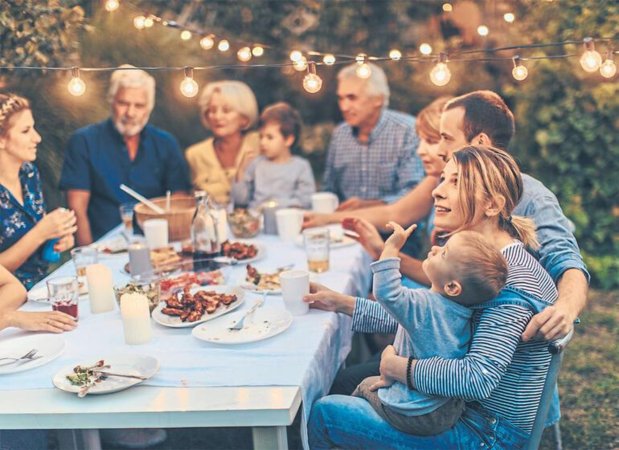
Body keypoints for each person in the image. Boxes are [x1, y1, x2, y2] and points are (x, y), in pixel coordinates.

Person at [307, 146, 559, 448]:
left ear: (492, 205)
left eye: (455, 182)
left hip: (483, 434)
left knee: (326, 414)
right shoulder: (477, 264)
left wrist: (397, 368)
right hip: (452, 409)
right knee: (347, 387)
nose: (437, 191)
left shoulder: (509, 282)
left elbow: (477, 378)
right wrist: (341, 303)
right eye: (443, 179)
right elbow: (425, 315)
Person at [319, 90, 588, 342]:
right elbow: (442, 298)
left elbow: (566, 261)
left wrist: (565, 308)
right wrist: (344, 300)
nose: (437, 150)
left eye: (445, 138)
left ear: (480, 143)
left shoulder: (531, 197)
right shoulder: (459, 196)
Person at [354, 225, 510, 436]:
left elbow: (386, 292)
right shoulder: (464, 312)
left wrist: (390, 249)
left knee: (364, 386)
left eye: (444, 253)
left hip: (413, 412)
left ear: (452, 287)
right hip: (445, 408)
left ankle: (350, 438)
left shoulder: (423, 305)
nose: (435, 248)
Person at [60, 65, 191, 245]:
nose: (130, 113)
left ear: (149, 108)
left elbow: (179, 200)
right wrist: (89, 256)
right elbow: (77, 208)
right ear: (111, 101)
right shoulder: (83, 141)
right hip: (105, 246)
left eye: (139, 105)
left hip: (158, 243)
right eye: (123, 103)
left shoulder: (165, 143)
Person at [322, 63, 424, 211]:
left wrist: (368, 206)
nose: (344, 107)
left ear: (378, 100)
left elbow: (414, 193)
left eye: (352, 98)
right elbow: (329, 189)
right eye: (341, 98)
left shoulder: (407, 130)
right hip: (344, 229)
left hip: (397, 230)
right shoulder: (340, 134)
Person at [0, 93, 77, 289]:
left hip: (44, 286)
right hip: (10, 301)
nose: (37, 138)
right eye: (26, 131)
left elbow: (39, 235)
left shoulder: (28, 173)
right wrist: (40, 233)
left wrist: (58, 237)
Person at [185, 80, 260, 205]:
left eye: (226, 110)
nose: (217, 117)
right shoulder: (195, 154)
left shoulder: (260, 143)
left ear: (244, 117)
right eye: (212, 110)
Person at [231, 102, 315, 209]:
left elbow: (305, 200)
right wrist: (241, 171)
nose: (263, 142)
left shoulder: (300, 167)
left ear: (288, 140)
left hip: (287, 218)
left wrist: (275, 205)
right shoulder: (256, 164)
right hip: (258, 219)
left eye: (269, 137)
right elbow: (240, 199)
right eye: (261, 137)